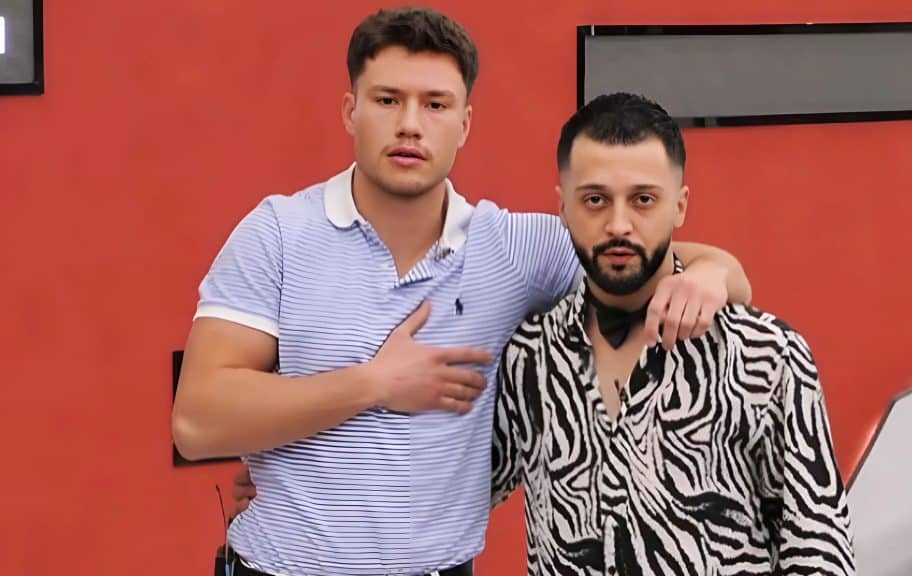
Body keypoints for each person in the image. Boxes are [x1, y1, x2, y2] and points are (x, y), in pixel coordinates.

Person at [173, 8, 751, 576]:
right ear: (351, 111)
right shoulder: (278, 234)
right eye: (387, 100)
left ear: (465, 123)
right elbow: (196, 423)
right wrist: (374, 383)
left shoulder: (515, 249)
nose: (410, 125)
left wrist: (710, 275)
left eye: (435, 104)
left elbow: (664, 263)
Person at [490, 92, 856, 575]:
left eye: (643, 200)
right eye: (595, 200)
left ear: (679, 206)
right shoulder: (527, 357)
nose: (618, 225)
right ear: (562, 206)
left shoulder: (766, 354)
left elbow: (818, 549)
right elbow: (452, 496)